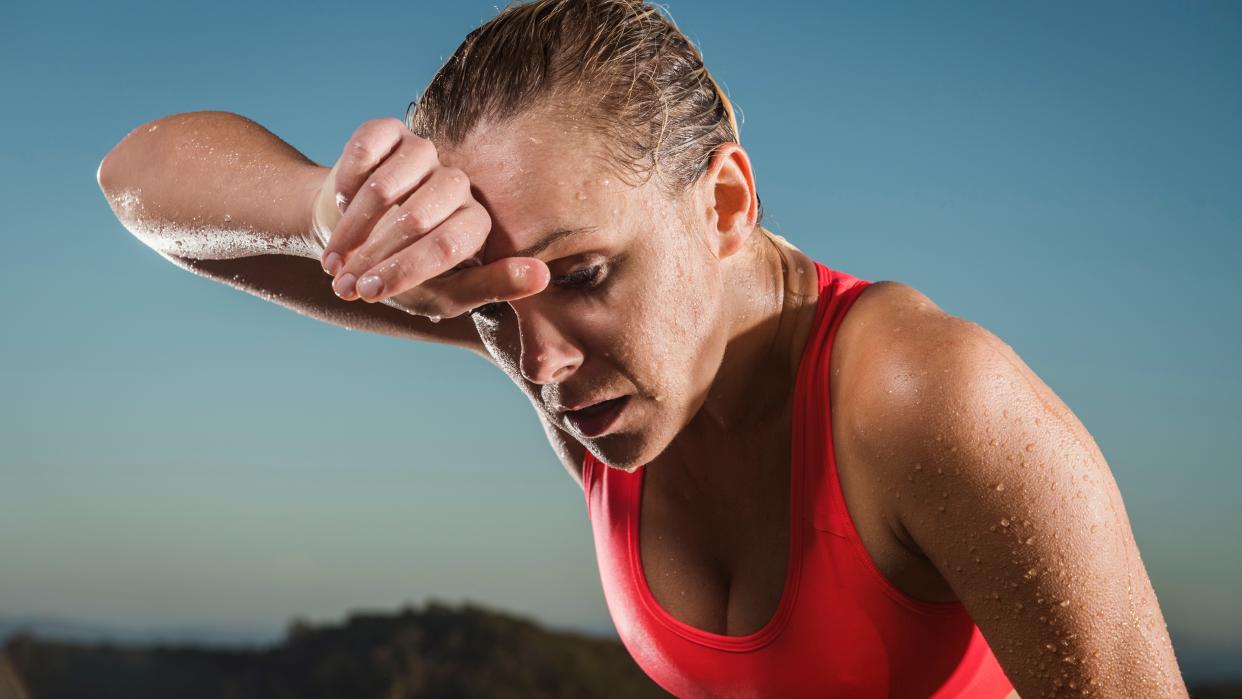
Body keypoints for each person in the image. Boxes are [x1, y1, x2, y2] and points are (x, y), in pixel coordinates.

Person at [96, 1, 1188, 696]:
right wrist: (331, 215)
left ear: (723, 203)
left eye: (585, 277)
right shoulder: (565, 348)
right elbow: (136, 179)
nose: (541, 364)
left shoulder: (927, 400)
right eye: (484, 309)